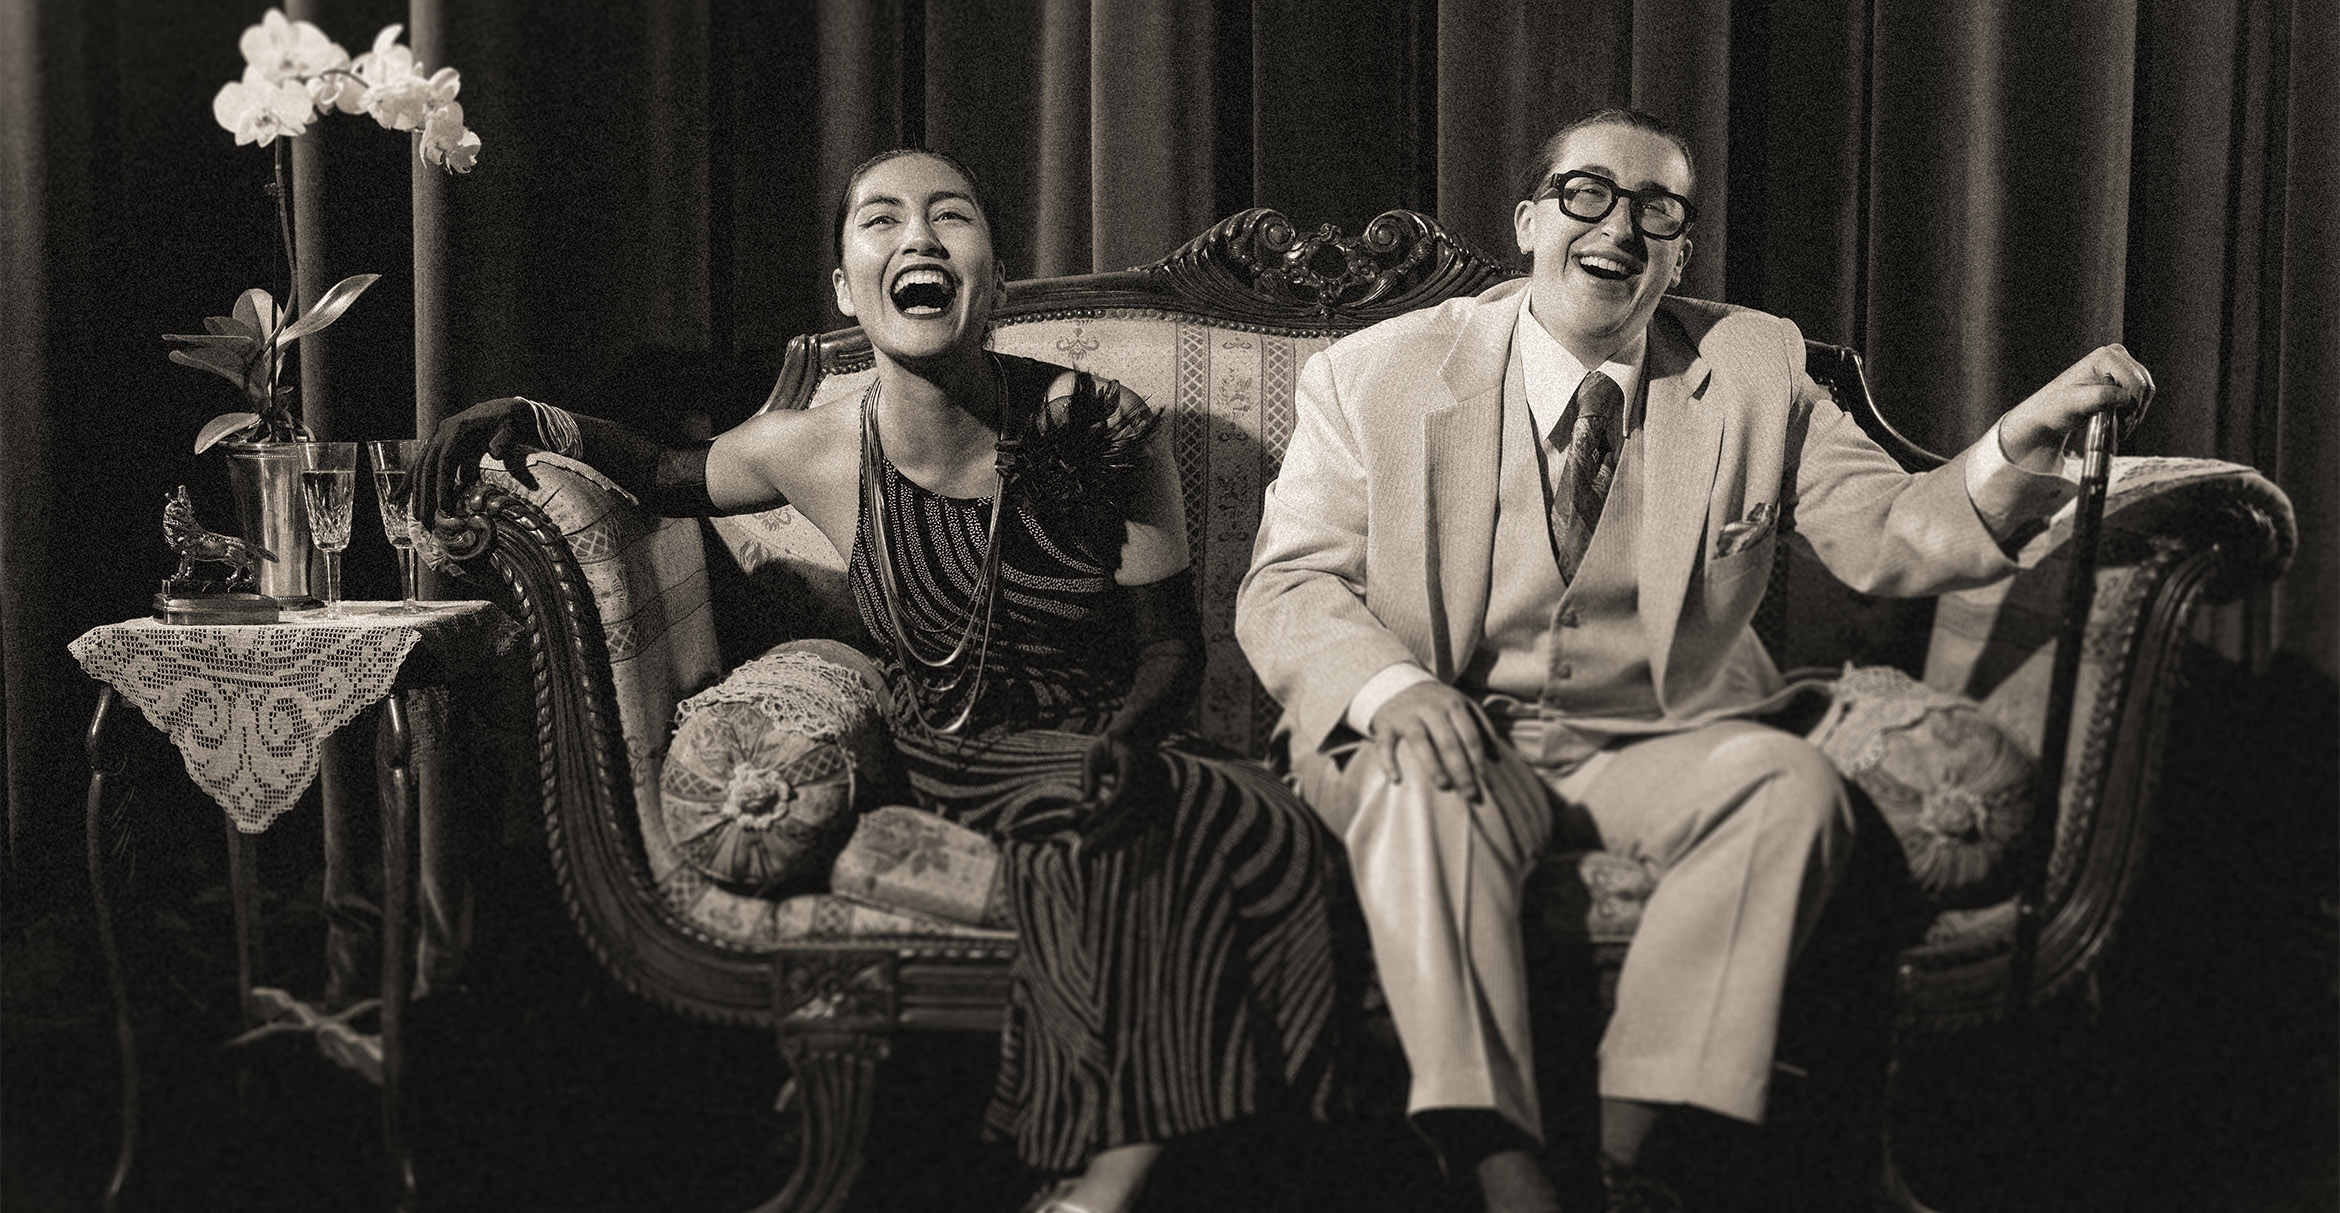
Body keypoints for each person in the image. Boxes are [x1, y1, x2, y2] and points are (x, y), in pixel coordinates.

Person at [1234, 107, 2152, 1213]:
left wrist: (2022, 434)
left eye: (1655, 209)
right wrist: (1394, 689)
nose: (1617, 228)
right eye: (1587, 195)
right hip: (1447, 729)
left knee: (1790, 788)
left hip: (1649, 741)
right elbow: (1289, 585)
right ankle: (1500, 1159)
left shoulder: (1756, 369)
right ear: (1529, 224)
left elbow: (1897, 532)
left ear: (1679, 251)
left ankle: (1631, 1153)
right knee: (1422, 781)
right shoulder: (1372, 375)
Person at [412, 148, 1341, 1213]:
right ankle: (1113, 1177)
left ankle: (1161, 1175)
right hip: (957, 742)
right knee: (1146, 836)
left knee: (1262, 820)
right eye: (882, 221)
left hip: (1111, 733)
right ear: (848, 290)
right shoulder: (807, 448)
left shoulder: (1102, 424)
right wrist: (530, 418)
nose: (920, 237)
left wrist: (1125, 742)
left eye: (953, 216)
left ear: (994, 280)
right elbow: (665, 476)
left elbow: (1171, 650)